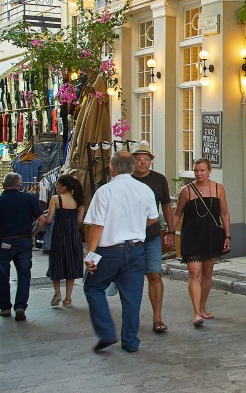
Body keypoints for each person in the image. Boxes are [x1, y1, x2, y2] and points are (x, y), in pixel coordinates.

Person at [82, 152, 160, 352]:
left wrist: (90, 255)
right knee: (132, 296)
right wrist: (135, 225)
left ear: (112, 168)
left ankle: (107, 332)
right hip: (136, 249)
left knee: (93, 287)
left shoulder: (105, 191)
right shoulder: (145, 190)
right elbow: (153, 218)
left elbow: (97, 226)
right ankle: (130, 340)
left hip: (110, 250)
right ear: (133, 168)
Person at [170, 158, 231, 328]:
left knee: (207, 273)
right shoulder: (186, 191)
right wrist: (169, 232)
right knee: (194, 273)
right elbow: (177, 214)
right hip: (191, 236)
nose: (199, 173)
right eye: (196, 170)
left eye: (202, 170)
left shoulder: (218, 188)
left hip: (211, 235)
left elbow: (225, 214)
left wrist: (228, 236)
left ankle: (203, 306)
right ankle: (197, 312)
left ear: (209, 171)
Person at [132, 143, 176, 334]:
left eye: (146, 159)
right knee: (132, 278)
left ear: (151, 162)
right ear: (133, 161)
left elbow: (166, 206)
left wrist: (171, 231)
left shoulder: (159, 180)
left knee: (155, 274)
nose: (142, 162)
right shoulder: (126, 180)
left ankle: (157, 318)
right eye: (139, 158)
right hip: (130, 238)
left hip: (151, 236)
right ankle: (132, 318)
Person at [0, 172, 43, 321]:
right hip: (24, 240)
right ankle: (20, 306)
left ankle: (5, 307)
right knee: (24, 275)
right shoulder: (29, 198)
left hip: (3, 242)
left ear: (4, 185)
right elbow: (42, 219)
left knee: (2, 275)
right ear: (19, 185)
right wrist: (33, 233)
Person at [42, 175, 86, 309]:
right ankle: (68, 299)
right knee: (71, 265)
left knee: (57, 263)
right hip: (73, 236)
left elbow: (49, 220)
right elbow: (79, 222)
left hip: (59, 235)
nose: (56, 187)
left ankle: (57, 293)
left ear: (64, 187)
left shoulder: (56, 199)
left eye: (58, 185)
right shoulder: (79, 201)